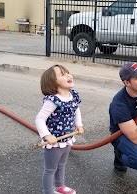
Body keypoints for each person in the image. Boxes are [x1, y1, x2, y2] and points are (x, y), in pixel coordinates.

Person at [35, 64, 84, 194]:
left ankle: (59, 186)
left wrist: (79, 124)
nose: (68, 75)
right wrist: (46, 135)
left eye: (68, 72)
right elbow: (39, 119)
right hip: (54, 141)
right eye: (62, 74)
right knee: (51, 169)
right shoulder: (52, 100)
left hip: (67, 138)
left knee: (61, 165)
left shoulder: (72, 95)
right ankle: (48, 191)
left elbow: (76, 110)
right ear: (53, 82)